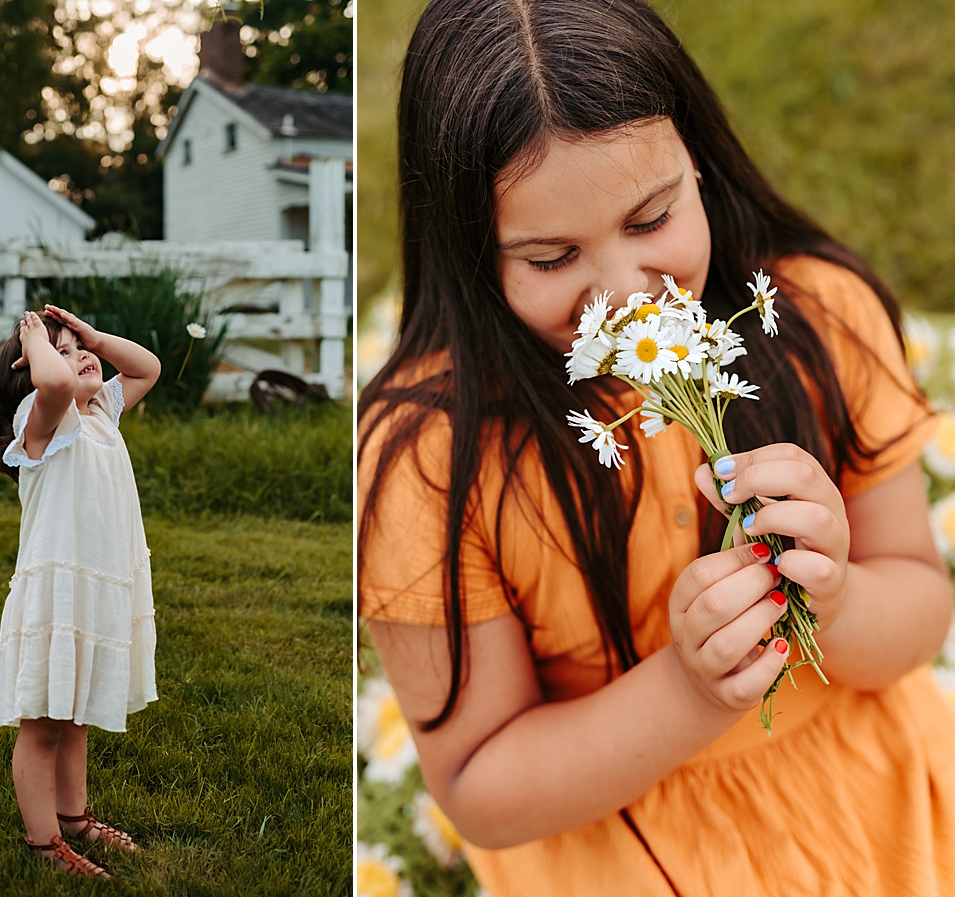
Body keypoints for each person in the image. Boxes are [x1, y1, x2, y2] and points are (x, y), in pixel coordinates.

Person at [357, 1, 955, 894]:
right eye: (553, 257)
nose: (625, 296)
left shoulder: (817, 315)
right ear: (471, 253)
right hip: (619, 824)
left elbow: (917, 615)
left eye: (650, 219)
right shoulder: (430, 459)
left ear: (700, 166)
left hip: (874, 767)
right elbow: (481, 786)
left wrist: (836, 593)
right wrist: (691, 688)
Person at [0, 306, 162, 878]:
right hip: (56, 600)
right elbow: (56, 384)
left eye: (77, 348)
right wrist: (38, 339)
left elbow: (147, 368)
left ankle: (74, 817)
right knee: (42, 724)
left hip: (95, 596)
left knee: (76, 713)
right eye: (59, 352)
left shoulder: (98, 413)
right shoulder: (44, 424)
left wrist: (94, 338)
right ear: (30, 374)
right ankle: (45, 846)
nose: (77, 359)